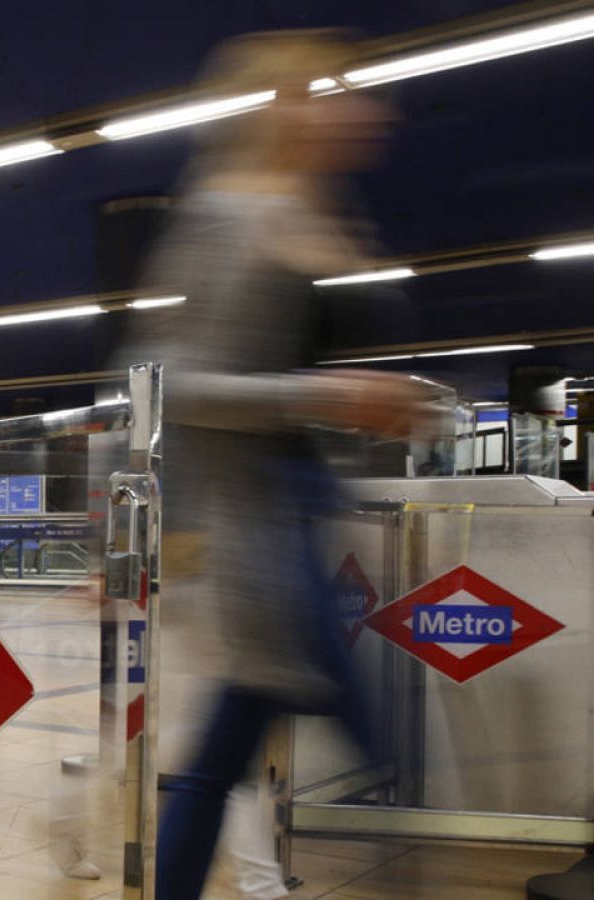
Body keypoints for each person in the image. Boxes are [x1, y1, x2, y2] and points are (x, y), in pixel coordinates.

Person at [109, 31, 429, 898]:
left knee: (227, 752)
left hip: (291, 521)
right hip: (251, 533)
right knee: (363, 734)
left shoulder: (317, 219)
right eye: (332, 90)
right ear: (282, 106)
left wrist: (362, 403)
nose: (358, 108)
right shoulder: (226, 217)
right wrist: (327, 394)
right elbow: (167, 382)